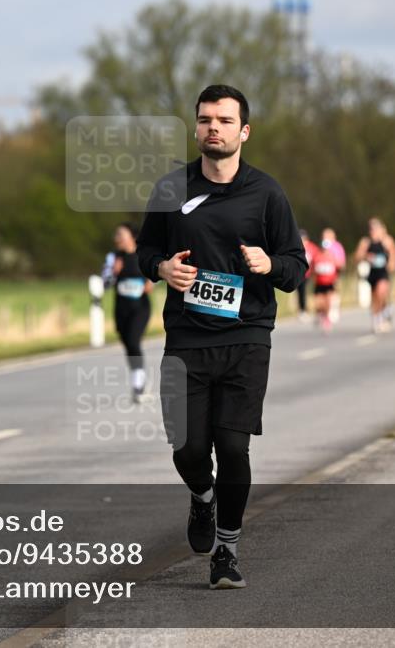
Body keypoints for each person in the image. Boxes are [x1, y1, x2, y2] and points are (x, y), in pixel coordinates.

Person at [136, 84, 307, 590]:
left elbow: (296, 267)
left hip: (246, 336)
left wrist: (269, 263)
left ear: (244, 131)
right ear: (196, 127)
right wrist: (162, 268)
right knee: (188, 450)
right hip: (186, 337)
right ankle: (203, 496)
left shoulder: (267, 193)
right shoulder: (171, 189)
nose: (215, 128)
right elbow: (144, 251)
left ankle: (227, 551)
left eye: (225, 120)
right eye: (206, 119)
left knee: (233, 447)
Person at [103, 222, 153, 401]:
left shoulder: (142, 254)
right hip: (121, 309)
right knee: (128, 345)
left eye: (120, 235)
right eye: (116, 235)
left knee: (133, 341)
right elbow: (105, 283)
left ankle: (138, 386)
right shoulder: (112, 257)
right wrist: (114, 273)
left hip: (140, 308)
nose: (117, 239)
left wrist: (151, 282)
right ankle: (138, 378)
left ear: (132, 237)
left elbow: (156, 274)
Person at [354, 218, 395, 333]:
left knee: (381, 291)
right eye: (371, 229)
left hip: (383, 272)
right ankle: (377, 318)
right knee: (375, 297)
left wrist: (392, 263)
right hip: (372, 272)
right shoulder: (365, 242)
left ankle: (384, 311)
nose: (373, 232)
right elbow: (357, 257)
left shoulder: (387, 241)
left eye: (375, 229)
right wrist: (366, 256)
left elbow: (394, 253)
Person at [311, 233, 341, 333]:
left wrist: (336, 280)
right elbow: (313, 270)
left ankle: (327, 319)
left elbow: (338, 268)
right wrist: (314, 278)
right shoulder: (317, 257)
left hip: (329, 283)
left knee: (328, 302)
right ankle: (320, 314)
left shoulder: (332, 257)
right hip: (319, 283)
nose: (325, 250)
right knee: (319, 304)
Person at [321, 228, 346, 323]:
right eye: (324, 236)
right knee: (322, 297)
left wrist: (332, 261)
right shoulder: (322, 246)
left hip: (334, 274)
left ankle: (333, 309)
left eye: (327, 236)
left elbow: (342, 263)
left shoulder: (337, 247)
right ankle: (323, 313)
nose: (325, 238)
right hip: (322, 275)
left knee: (332, 293)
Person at [297, 229, 318, 322]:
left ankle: (316, 310)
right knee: (301, 292)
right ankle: (303, 310)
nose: (302, 240)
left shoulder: (312, 247)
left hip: (310, 273)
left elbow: (317, 258)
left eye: (303, 238)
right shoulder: (296, 247)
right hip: (300, 274)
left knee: (312, 291)